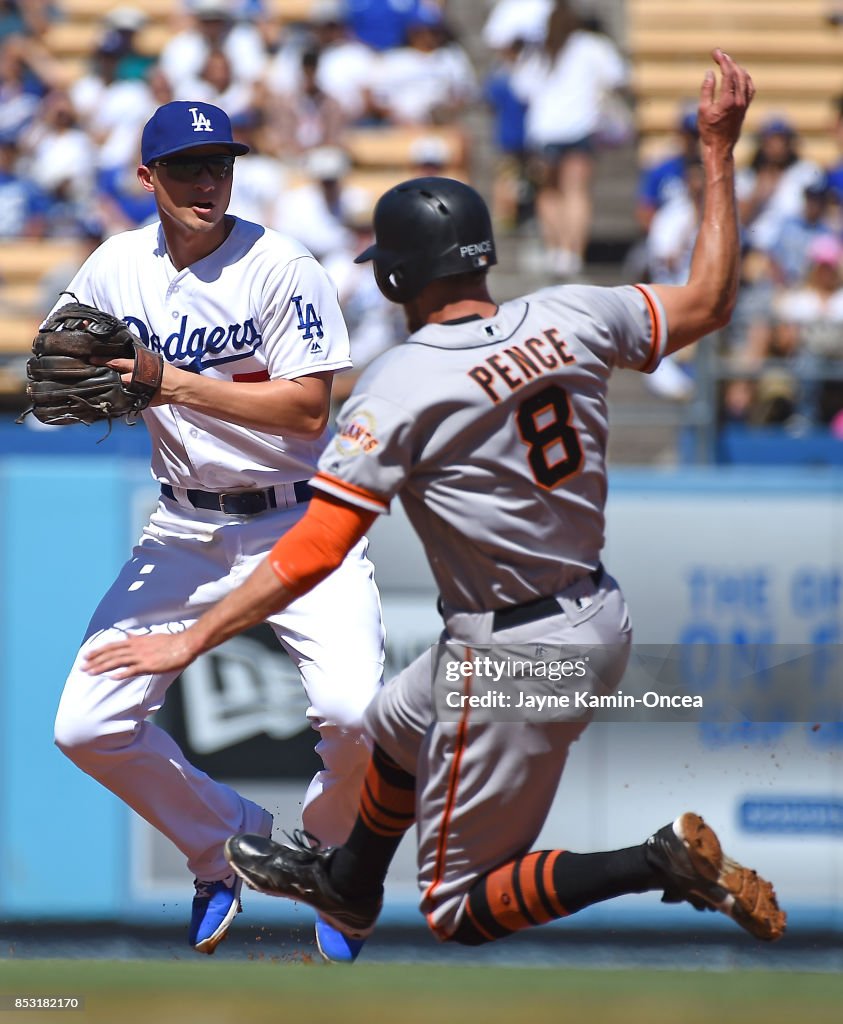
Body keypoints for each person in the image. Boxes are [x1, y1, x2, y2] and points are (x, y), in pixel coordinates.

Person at [84, 53, 786, 958]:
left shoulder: (400, 387)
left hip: (518, 648)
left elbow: (313, 551)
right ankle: (346, 884)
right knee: (388, 727)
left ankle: (655, 861)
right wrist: (716, 154)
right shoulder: (572, 313)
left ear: (391, 280)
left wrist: (188, 639)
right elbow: (709, 299)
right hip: (588, 608)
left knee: (458, 907)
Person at [52, 100, 385, 959]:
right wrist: (85, 373)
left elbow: (310, 408)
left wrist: (171, 382)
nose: (208, 181)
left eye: (221, 165)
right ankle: (223, 842)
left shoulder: (280, 266)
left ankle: (323, 856)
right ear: (146, 177)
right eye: (188, 167)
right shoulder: (116, 265)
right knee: (87, 727)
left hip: (299, 516)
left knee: (353, 714)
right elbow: (62, 357)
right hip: (185, 526)